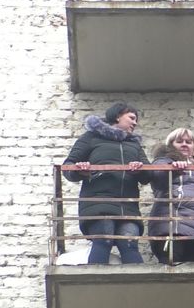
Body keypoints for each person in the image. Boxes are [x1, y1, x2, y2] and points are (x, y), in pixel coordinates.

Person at [62, 102, 150, 264]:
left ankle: (138, 281)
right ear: (117, 116)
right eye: (131, 118)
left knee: (130, 245)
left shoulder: (134, 144)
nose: (135, 123)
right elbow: (68, 166)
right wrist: (81, 169)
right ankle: (94, 278)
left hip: (128, 206)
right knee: (104, 240)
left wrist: (139, 169)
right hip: (99, 203)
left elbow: (148, 175)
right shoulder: (91, 137)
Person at [148, 128, 194, 264]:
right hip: (172, 228)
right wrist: (172, 167)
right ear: (171, 145)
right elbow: (156, 176)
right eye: (179, 141)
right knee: (171, 267)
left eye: (189, 142)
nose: (184, 144)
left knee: (193, 272)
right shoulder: (163, 161)